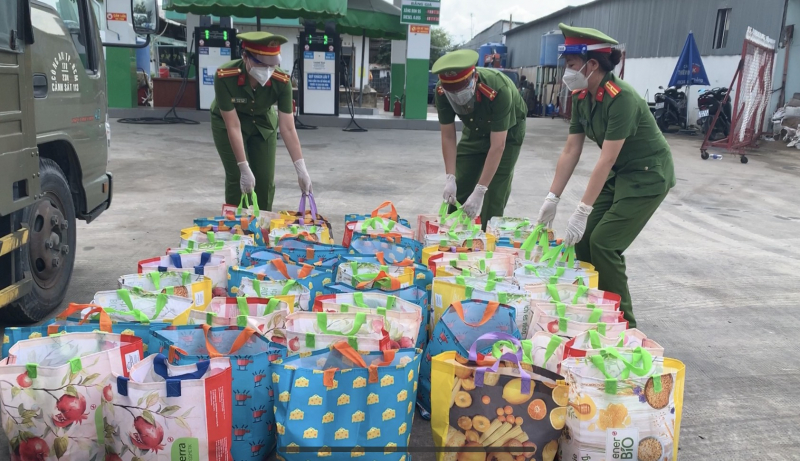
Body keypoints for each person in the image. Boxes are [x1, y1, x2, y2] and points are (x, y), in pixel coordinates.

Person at [536, 24, 675, 327]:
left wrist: (582, 210)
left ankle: (624, 325)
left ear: (592, 65)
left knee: (604, 243)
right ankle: (594, 308)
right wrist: (552, 197)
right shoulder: (582, 95)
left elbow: (606, 157)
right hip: (621, 173)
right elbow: (571, 150)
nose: (567, 73)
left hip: (649, 175)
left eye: (571, 66)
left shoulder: (621, 98)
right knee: (583, 242)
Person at [210, 31, 312, 209]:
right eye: (262, 65)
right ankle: (237, 228)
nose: (268, 70)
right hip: (228, 123)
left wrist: (301, 168)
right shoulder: (225, 77)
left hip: (263, 124)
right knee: (237, 178)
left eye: (272, 65)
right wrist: (243, 167)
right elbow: (233, 125)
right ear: (245, 57)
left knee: (264, 180)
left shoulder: (282, 81)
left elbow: (287, 127)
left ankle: (262, 228)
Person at [432, 49, 527, 227]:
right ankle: (452, 235)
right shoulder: (441, 91)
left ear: (474, 77)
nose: (458, 96)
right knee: (461, 182)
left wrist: (481, 189)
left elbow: (498, 146)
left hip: (509, 130)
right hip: (474, 128)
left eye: (461, 90)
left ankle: (487, 239)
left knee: (495, 191)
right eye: (452, 93)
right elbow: (448, 136)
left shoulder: (499, 89)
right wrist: (450, 177)